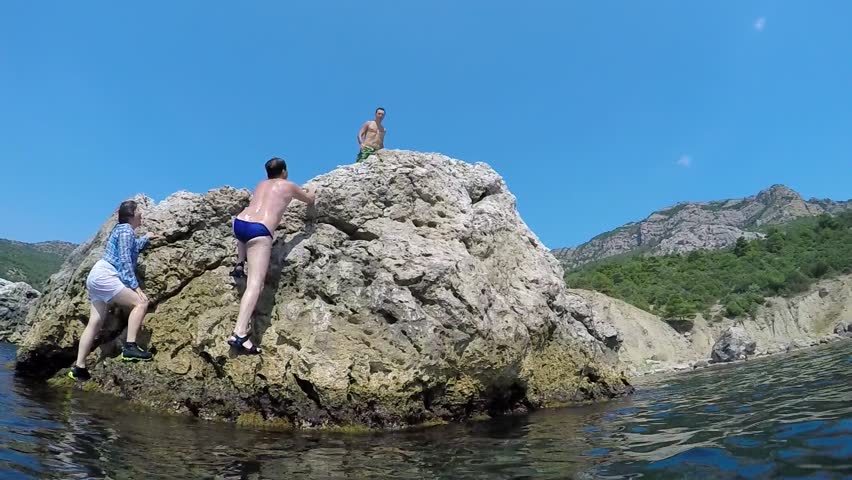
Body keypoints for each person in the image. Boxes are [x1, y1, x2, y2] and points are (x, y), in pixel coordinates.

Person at [227, 157, 316, 354]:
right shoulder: (288, 185)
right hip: (259, 231)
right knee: (255, 285)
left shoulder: (260, 184)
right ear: (284, 171)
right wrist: (313, 191)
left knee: (244, 232)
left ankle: (240, 263)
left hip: (239, 223)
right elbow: (309, 199)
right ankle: (239, 333)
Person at [68, 200, 156, 381]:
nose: (142, 214)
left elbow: (131, 249)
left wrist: (146, 238)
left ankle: (79, 368)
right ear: (131, 214)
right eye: (140, 210)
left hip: (97, 277)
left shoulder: (123, 231)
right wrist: (136, 287)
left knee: (95, 322)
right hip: (106, 276)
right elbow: (124, 260)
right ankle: (130, 347)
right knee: (141, 302)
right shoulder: (125, 231)